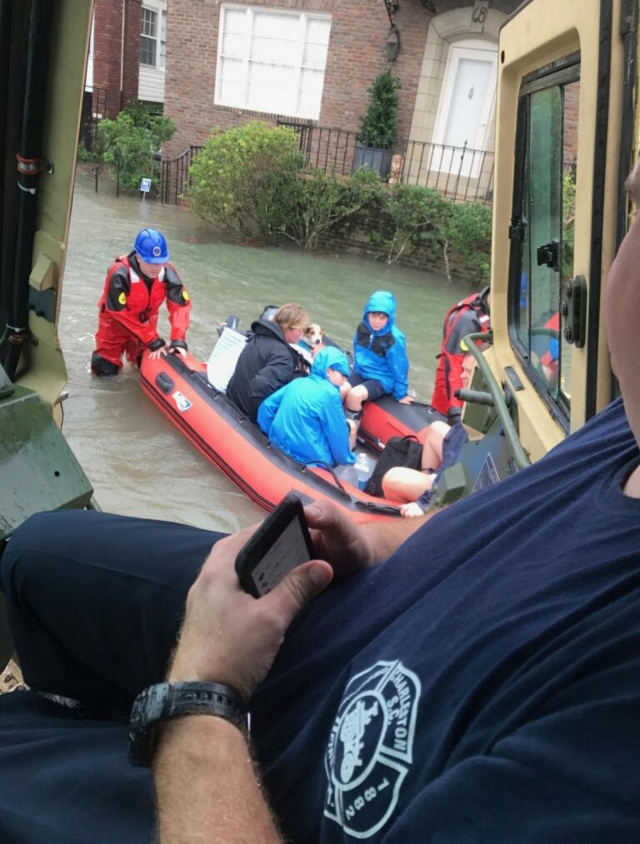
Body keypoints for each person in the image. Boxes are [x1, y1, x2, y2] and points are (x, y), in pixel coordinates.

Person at [1, 168, 640, 839]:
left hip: (269, 764)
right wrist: (372, 540)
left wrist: (200, 688)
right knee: (35, 552)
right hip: (331, 616)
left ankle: (75, 722)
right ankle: (71, 698)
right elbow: (483, 517)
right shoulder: (620, 427)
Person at [383, 349, 476, 517]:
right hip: (462, 462)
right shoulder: (482, 401)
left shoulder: (475, 415)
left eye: (468, 372)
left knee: (392, 478)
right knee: (436, 429)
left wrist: (425, 502)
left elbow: (456, 464)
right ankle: (425, 478)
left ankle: (410, 516)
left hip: (460, 479)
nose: (462, 376)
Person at [91, 228, 191, 376]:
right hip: (115, 326)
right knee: (104, 370)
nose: (155, 268)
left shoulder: (167, 272)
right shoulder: (120, 274)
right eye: (150, 262)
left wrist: (178, 339)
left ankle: (135, 361)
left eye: (159, 262)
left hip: (145, 326)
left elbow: (180, 306)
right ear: (138, 257)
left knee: (140, 368)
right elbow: (119, 313)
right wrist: (152, 339)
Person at [257, 346, 354, 468]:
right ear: (329, 371)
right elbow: (337, 434)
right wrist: (346, 459)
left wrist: (270, 433)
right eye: (343, 374)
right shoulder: (331, 395)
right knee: (351, 427)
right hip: (309, 460)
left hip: (278, 444)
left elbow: (266, 408)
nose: (344, 380)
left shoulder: (298, 382)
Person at [343, 291, 414, 429]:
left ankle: (350, 435)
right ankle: (333, 425)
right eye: (373, 316)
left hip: (382, 378)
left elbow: (400, 367)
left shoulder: (394, 338)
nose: (376, 321)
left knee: (354, 395)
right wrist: (356, 369)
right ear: (367, 314)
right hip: (363, 372)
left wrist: (401, 393)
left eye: (382, 318)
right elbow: (357, 348)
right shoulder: (363, 327)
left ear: (389, 318)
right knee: (340, 389)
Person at [227, 303, 309, 422]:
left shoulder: (258, 337)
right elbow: (260, 388)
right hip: (246, 414)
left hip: (233, 400)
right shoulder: (283, 356)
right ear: (288, 327)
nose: (302, 334)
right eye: (300, 329)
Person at [431, 286, 490, 422]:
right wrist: (456, 409)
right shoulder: (468, 320)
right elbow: (453, 366)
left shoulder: (500, 316)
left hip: (475, 388)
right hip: (452, 393)